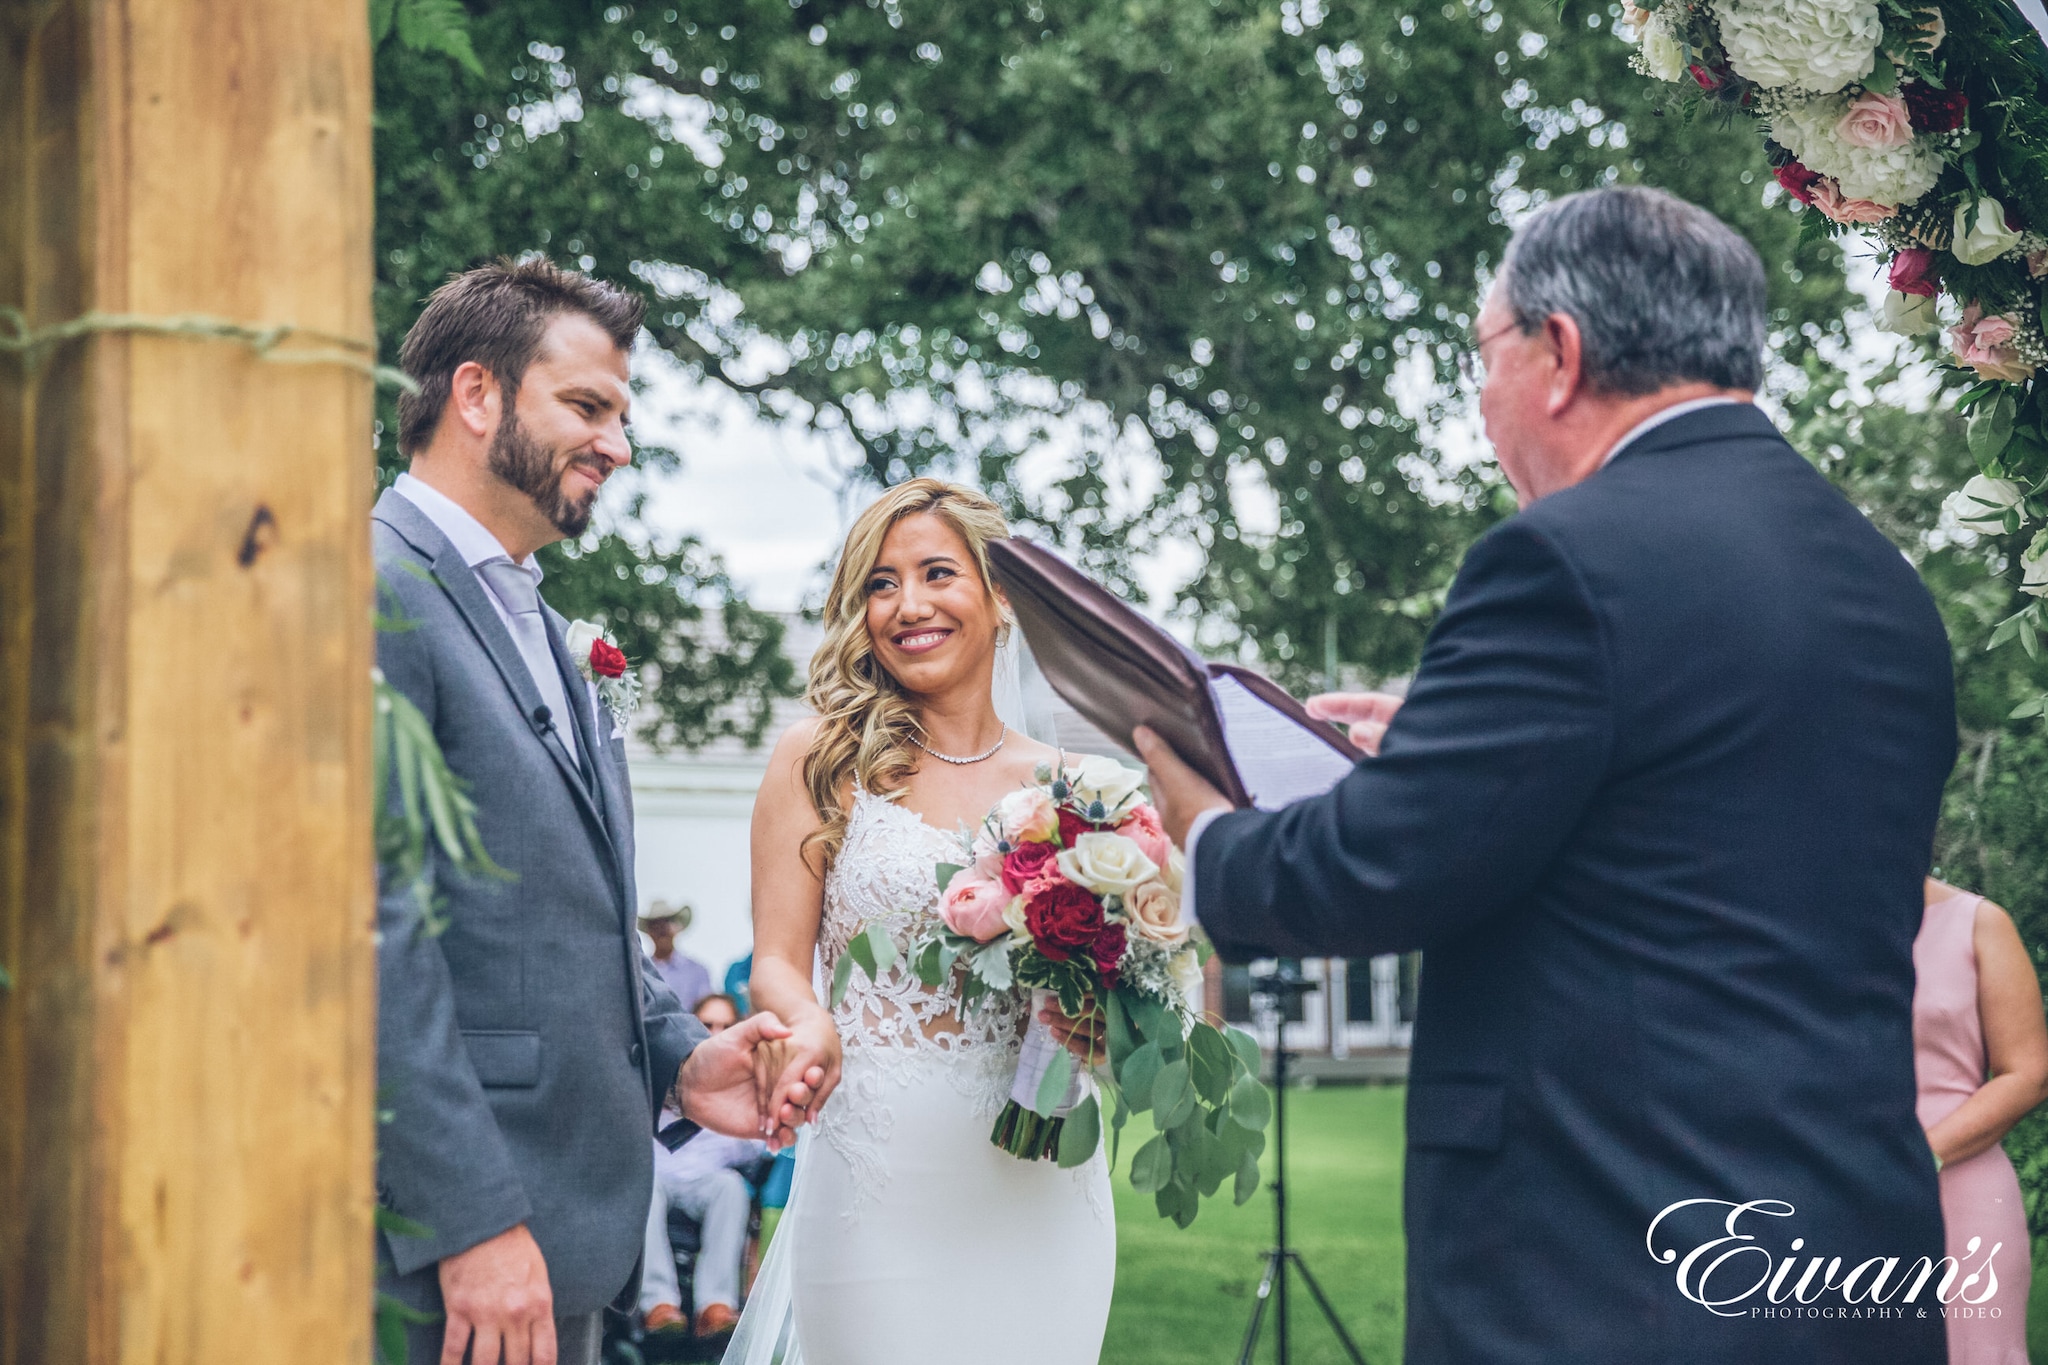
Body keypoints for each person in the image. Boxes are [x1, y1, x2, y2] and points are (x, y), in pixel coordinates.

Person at [1135, 187, 1957, 1363]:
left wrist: (1206, 828)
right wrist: (1454, 736)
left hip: (1611, 1265)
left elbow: (1370, 871)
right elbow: (1700, 810)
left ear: (1557, 352)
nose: (1480, 403)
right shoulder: (1877, 578)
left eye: (1481, 356)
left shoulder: (1565, 560)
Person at [373, 258, 819, 1365]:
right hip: (451, 1253)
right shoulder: (375, 589)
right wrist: (468, 1218)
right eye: (587, 406)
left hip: (565, 1235)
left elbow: (554, 922)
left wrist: (677, 1058)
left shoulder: (534, 617)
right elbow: (366, 935)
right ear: (476, 396)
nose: (618, 445)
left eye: (621, 415)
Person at [731, 479, 1115, 1365]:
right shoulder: (819, 758)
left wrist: (1106, 1010)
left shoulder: (1079, 790)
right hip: (878, 1180)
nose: (908, 606)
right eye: (879, 583)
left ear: (1000, 594)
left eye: (937, 573)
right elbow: (777, 963)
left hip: (1042, 1182)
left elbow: (1113, 990)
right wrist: (809, 1020)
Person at [1916, 878, 2048, 1363]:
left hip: (1963, 1187)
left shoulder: (1978, 922)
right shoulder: (1813, 928)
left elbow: (2028, 1073)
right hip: (1837, 1184)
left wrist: (1920, 1154)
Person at [638, 994, 768, 1339]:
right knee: (645, 1189)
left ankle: (714, 1305)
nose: (716, 1032)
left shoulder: (744, 1082)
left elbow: (759, 1150)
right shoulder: (664, 1069)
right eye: (708, 1024)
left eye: (725, 1026)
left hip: (708, 1181)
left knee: (730, 1187)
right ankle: (658, 1303)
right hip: (658, 1176)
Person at [640, 900, 713, 1011]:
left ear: (677, 928)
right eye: (655, 925)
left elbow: (707, 1012)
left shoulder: (697, 972)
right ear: (649, 931)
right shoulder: (641, 972)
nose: (661, 930)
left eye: (666, 924)